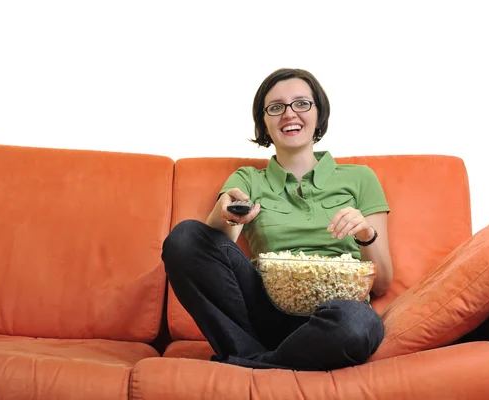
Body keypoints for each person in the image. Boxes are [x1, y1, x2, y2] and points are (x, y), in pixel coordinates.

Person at [162, 68, 393, 371]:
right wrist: (228, 215)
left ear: (318, 113)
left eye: (301, 103)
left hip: (334, 316)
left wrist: (365, 233)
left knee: (357, 324)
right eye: (276, 107)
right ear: (264, 122)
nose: (289, 114)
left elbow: (382, 283)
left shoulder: (360, 178)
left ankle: (256, 362)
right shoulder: (248, 178)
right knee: (184, 237)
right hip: (264, 312)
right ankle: (275, 361)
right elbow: (215, 249)